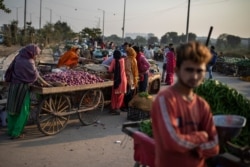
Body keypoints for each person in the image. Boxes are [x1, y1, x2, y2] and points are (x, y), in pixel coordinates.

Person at [151, 41, 219, 167]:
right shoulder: (165, 100)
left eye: (200, 71)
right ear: (177, 70)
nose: (194, 76)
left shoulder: (202, 105)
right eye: (189, 69)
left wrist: (191, 144)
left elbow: (214, 145)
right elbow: (172, 142)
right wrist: (201, 137)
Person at [6, 44, 51, 139]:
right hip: (22, 88)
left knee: (12, 109)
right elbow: (36, 76)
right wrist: (46, 83)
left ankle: (11, 130)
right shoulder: (29, 62)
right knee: (24, 111)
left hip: (13, 86)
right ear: (31, 53)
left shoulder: (18, 57)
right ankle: (17, 133)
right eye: (35, 54)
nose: (36, 56)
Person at [108, 50, 127, 115]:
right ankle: (117, 108)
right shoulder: (123, 60)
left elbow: (110, 70)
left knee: (114, 96)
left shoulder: (114, 61)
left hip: (116, 81)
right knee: (121, 96)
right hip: (123, 80)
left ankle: (113, 107)